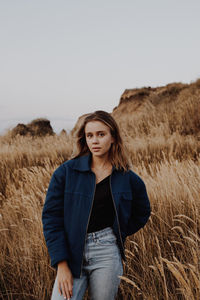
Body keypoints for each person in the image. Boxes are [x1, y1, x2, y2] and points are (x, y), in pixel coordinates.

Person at [42, 110, 151, 300]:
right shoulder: (66, 173)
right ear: (84, 139)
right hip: (71, 250)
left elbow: (142, 212)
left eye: (101, 135)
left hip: (107, 252)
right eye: (90, 135)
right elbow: (51, 218)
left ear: (113, 138)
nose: (95, 141)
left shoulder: (128, 178)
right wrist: (61, 264)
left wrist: (118, 231)